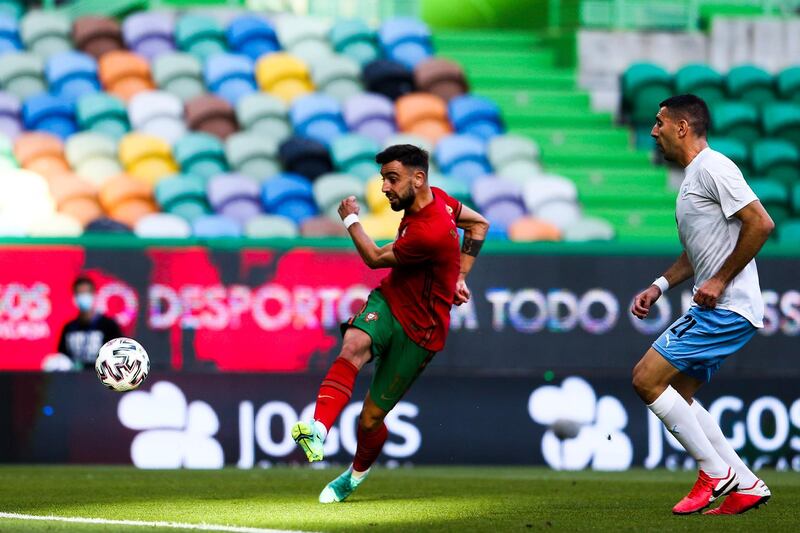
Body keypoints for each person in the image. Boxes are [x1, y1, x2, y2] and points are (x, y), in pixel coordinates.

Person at [291, 144, 489, 503]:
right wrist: (460, 275)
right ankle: (318, 429)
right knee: (353, 344)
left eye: (392, 179)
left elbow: (373, 257)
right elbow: (478, 224)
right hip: (390, 302)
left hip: (421, 332)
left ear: (419, 178)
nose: (384, 188)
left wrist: (350, 218)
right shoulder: (441, 200)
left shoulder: (428, 229)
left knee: (369, 421)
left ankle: (353, 477)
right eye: (383, 179)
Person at [631, 95, 775, 515]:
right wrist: (660, 285)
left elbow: (761, 223)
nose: (654, 131)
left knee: (645, 379)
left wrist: (720, 278)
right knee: (676, 393)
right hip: (720, 306)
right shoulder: (693, 178)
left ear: (682, 127)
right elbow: (697, 255)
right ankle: (745, 483)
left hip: (727, 306)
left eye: (660, 123)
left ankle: (714, 472)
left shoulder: (714, 167)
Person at [58, 276, 122, 370]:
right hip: (75, 379)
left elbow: (118, 356)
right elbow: (62, 358)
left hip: (101, 379)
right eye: (79, 294)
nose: (83, 297)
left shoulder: (109, 325)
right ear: (74, 297)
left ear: (94, 295)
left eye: (86, 293)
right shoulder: (69, 328)